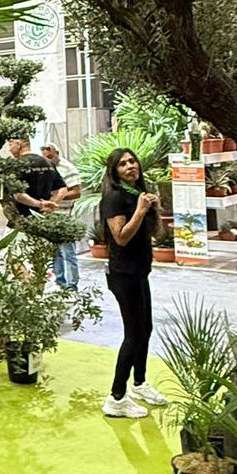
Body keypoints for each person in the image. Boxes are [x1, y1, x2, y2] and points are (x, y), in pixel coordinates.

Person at [99, 146, 166, 419]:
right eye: (123, 164)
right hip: (123, 274)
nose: (130, 166)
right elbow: (121, 237)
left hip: (140, 270)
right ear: (114, 171)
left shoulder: (139, 194)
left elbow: (157, 234)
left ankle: (139, 383)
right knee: (133, 334)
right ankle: (116, 398)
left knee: (145, 329)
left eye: (132, 161)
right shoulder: (114, 198)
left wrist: (154, 209)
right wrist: (139, 211)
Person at [42, 143, 80, 290]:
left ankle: (72, 285)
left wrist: (57, 197)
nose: (48, 159)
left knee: (67, 251)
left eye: (50, 156)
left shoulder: (68, 168)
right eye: (45, 157)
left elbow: (76, 192)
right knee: (55, 251)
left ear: (57, 153)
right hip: (52, 215)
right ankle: (60, 282)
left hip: (65, 215)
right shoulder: (46, 168)